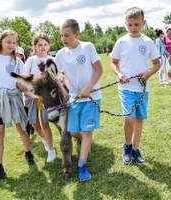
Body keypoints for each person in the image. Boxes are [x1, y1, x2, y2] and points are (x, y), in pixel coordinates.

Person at [0, 30, 38, 183]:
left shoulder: (18, 61)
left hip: (15, 97)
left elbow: (25, 80)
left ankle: (28, 152)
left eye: (14, 43)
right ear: (1, 42)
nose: (11, 45)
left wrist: (30, 89)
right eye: (8, 42)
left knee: (21, 128)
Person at [54, 19, 103, 181]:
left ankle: (82, 165)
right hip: (74, 99)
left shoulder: (87, 47)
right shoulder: (61, 54)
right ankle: (85, 144)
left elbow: (99, 70)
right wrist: (60, 80)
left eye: (67, 35)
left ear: (77, 34)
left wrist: (88, 87)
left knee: (87, 131)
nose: (63, 39)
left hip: (91, 97)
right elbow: (58, 74)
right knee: (74, 131)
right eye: (61, 35)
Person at [111, 7, 160, 165]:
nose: (133, 28)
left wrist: (147, 75)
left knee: (139, 119)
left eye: (136, 24)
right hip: (125, 88)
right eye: (130, 24)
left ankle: (135, 149)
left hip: (142, 88)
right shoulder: (121, 42)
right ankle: (127, 145)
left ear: (143, 23)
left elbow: (157, 64)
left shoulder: (148, 42)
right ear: (125, 23)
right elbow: (113, 63)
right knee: (129, 118)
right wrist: (119, 75)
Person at [24, 32, 56, 163]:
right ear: (35, 46)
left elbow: (55, 78)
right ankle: (44, 139)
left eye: (45, 44)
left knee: (45, 122)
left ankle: (51, 149)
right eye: (39, 45)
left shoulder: (52, 60)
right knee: (35, 123)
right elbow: (25, 78)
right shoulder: (31, 61)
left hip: (46, 97)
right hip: (32, 95)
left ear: (48, 46)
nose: (43, 47)